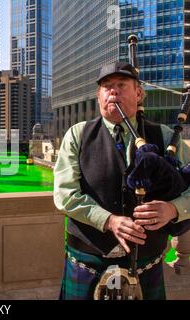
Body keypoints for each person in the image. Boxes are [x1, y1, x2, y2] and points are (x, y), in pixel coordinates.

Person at [53, 62, 190, 300]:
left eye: (121, 85)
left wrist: (173, 209)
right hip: (87, 261)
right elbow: (65, 194)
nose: (113, 91)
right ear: (99, 97)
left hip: (147, 262)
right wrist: (109, 220)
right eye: (107, 87)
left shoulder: (166, 136)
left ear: (138, 93)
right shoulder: (78, 135)